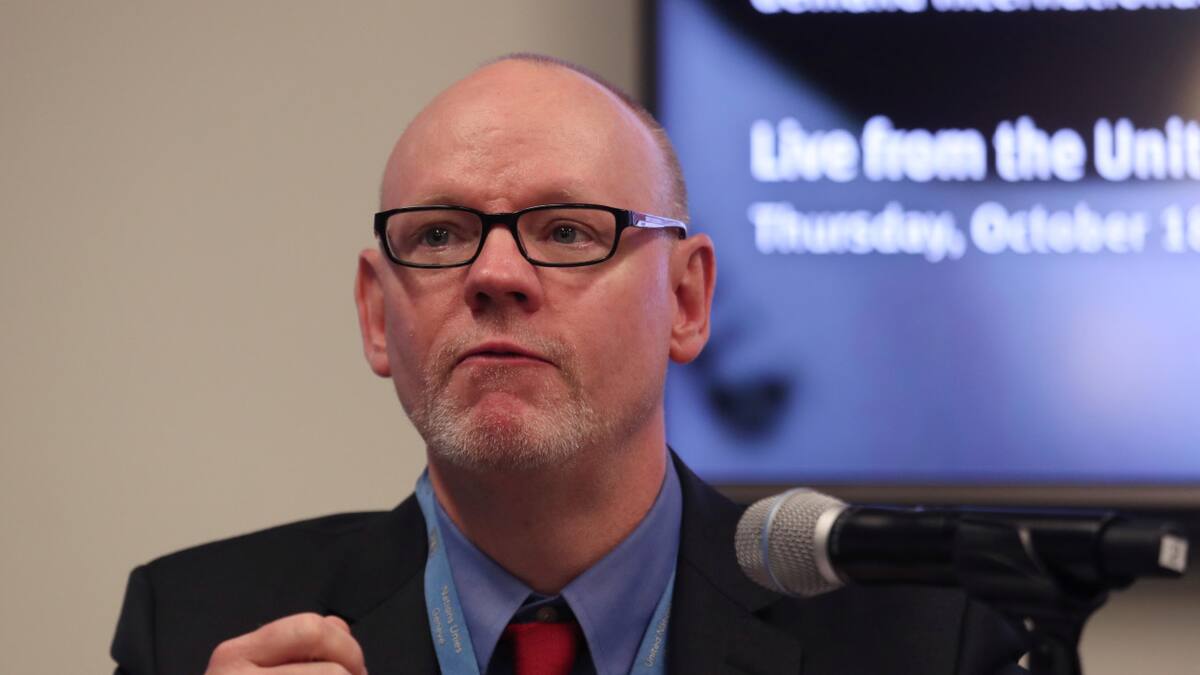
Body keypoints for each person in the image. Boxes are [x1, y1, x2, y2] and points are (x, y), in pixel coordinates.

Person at [111, 54, 1026, 675]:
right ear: (376, 314)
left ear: (687, 300)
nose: (495, 274)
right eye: (438, 234)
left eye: (567, 231)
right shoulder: (198, 626)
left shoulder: (926, 640)